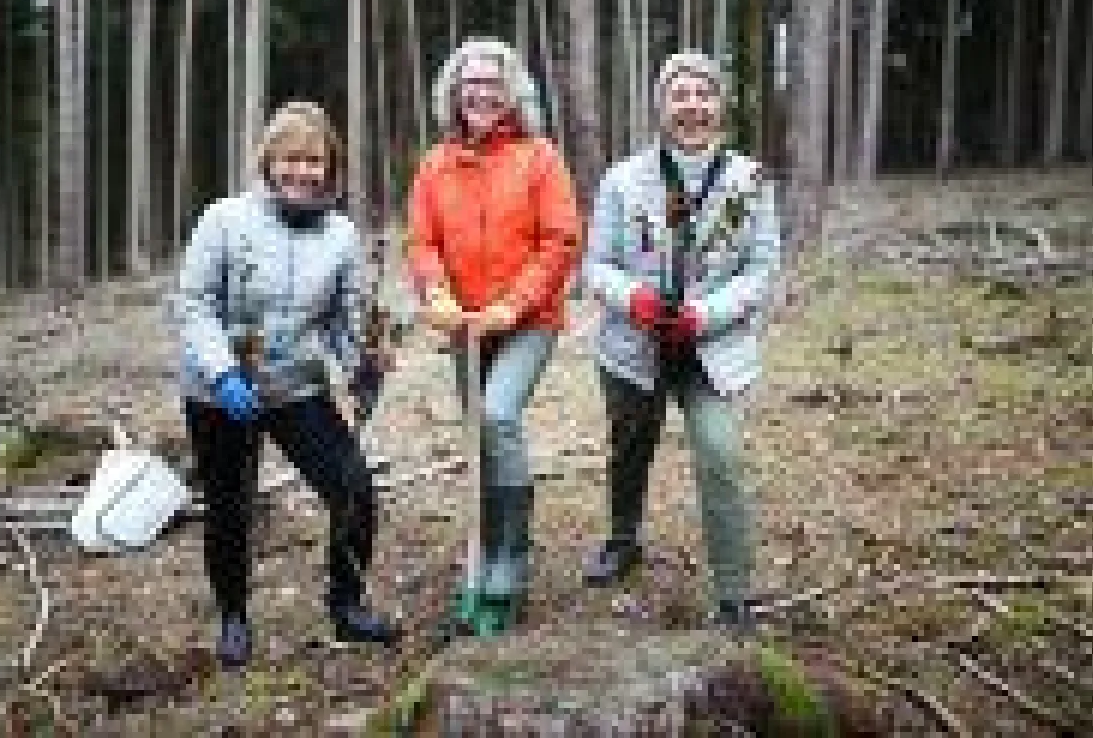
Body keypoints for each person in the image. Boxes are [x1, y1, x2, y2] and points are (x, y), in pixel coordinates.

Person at [172, 100, 399, 669]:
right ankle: (233, 616)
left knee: (353, 489)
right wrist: (221, 371)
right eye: (290, 159)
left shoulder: (342, 236)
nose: (303, 172)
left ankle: (347, 605)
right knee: (230, 507)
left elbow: (347, 321)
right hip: (221, 390)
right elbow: (193, 303)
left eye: (315, 161)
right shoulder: (225, 219)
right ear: (268, 162)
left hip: (296, 387)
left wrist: (365, 364)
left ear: (331, 166)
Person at [581, 51, 781, 631]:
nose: (692, 106)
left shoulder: (752, 181)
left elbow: (762, 272)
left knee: (720, 452)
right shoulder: (621, 180)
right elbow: (596, 265)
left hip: (711, 349)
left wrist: (705, 313)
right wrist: (635, 300)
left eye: (703, 95)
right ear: (661, 107)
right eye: (679, 95)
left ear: (720, 105)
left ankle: (734, 590)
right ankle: (623, 538)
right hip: (634, 344)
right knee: (630, 447)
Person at [406, 38, 582, 636]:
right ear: (453, 95)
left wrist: (514, 305)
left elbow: (559, 241)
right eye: (467, 84)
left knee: (499, 414)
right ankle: (479, 557)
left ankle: (512, 554)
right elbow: (423, 242)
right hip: (464, 324)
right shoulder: (435, 163)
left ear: (512, 94)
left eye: (491, 83)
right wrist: (435, 293)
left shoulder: (540, 157)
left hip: (527, 321)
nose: (479, 93)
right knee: (478, 435)